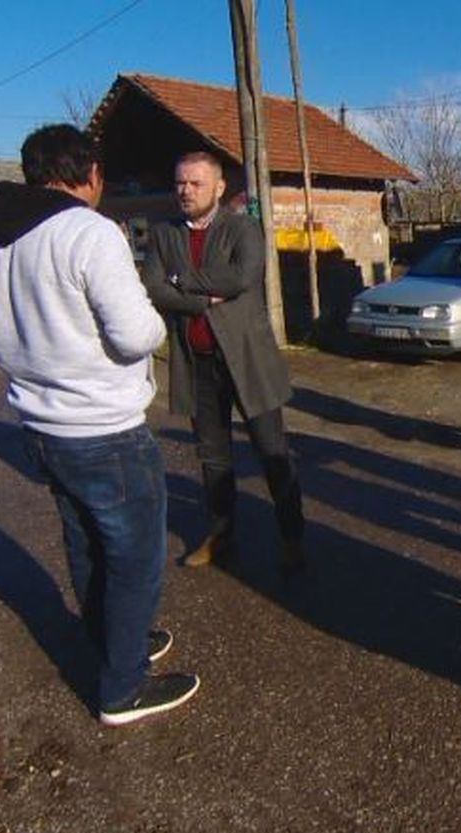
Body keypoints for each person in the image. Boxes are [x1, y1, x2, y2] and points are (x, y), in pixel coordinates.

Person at [0, 124, 198, 726]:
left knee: (85, 542)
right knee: (135, 557)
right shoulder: (89, 232)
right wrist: (153, 319)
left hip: (39, 425)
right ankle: (123, 688)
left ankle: (113, 641)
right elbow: (135, 334)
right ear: (90, 174)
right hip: (104, 426)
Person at [142, 152, 305, 575]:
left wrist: (181, 280)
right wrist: (202, 298)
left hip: (247, 359)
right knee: (213, 458)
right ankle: (221, 534)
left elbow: (241, 278)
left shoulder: (243, 228)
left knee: (272, 452)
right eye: (180, 183)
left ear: (218, 188)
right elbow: (154, 288)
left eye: (195, 184)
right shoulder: (164, 233)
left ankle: (292, 535)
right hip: (197, 362)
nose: (185, 191)